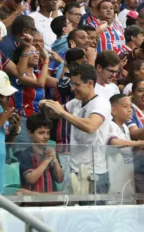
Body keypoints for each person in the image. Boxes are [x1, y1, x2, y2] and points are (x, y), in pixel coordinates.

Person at [39, 64, 111, 193]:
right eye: (72, 84)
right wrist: (47, 106)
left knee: (94, 213)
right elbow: (55, 113)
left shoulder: (101, 103)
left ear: (90, 83)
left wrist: (62, 113)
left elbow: (91, 126)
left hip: (94, 173)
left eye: (77, 84)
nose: (72, 89)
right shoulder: (76, 102)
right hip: (75, 171)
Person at [17, 114, 64, 193]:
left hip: (51, 201)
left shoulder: (52, 153)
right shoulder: (25, 154)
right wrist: (47, 160)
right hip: (32, 201)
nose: (46, 137)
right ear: (30, 133)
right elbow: (31, 179)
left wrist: (55, 160)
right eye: (41, 133)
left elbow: (60, 179)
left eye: (48, 133)